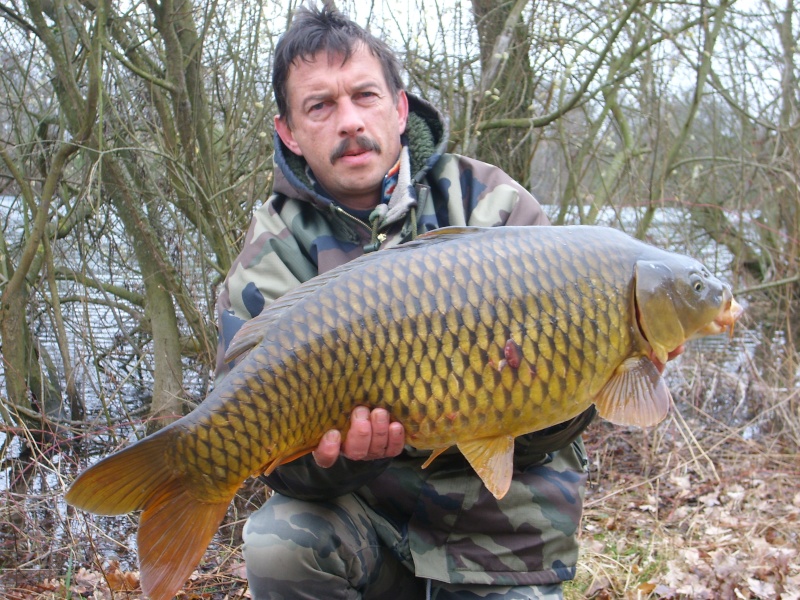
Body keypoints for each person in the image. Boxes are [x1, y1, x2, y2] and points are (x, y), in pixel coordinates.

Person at [216, 6, 596, 599]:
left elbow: (559, 431)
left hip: (502, 536)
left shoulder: (494, 206)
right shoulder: (272, 255)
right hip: (368, 523)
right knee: (276, 542)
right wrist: (347, 458)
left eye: (365, 96)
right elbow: (277, 464)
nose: (349, 121)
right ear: (288, 130)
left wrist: (541, 389)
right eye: (319, 106)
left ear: (398, 107)